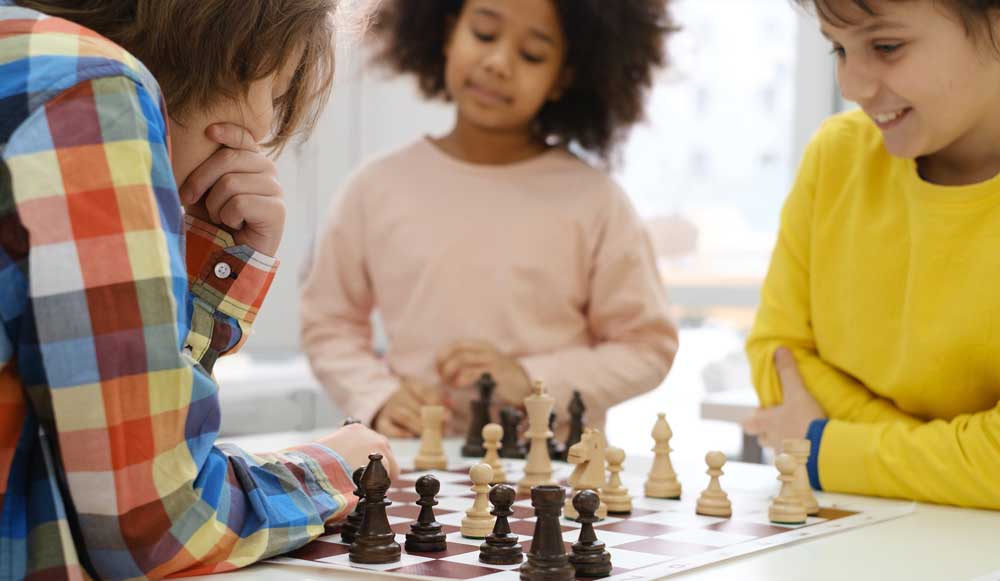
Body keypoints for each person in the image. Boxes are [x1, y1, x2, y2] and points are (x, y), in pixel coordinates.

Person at [0, 1, 397, 579]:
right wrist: (343, 467)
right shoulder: (89, 90)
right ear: (239, 47)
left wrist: (210, 256)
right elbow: (152, 525)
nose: (262, 132)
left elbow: (105, 448)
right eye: (278, 88)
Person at [301, 0, 680, 438]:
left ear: (564, 77)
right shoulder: (374, 188)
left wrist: (529, 378)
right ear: (446, 35)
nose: (498, 63)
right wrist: (378, 397)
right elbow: (329, 324)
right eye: (483, 33)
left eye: (532, 54)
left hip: (555, 478)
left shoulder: (596, 202)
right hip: (419, 470)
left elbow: (646, 347)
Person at [744, 0, 1000, 509]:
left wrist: (819, 446)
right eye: (839, 48)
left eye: (887, 47)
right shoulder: (837, 155)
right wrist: (955, 460)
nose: (852, 86)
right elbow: (777, 356)